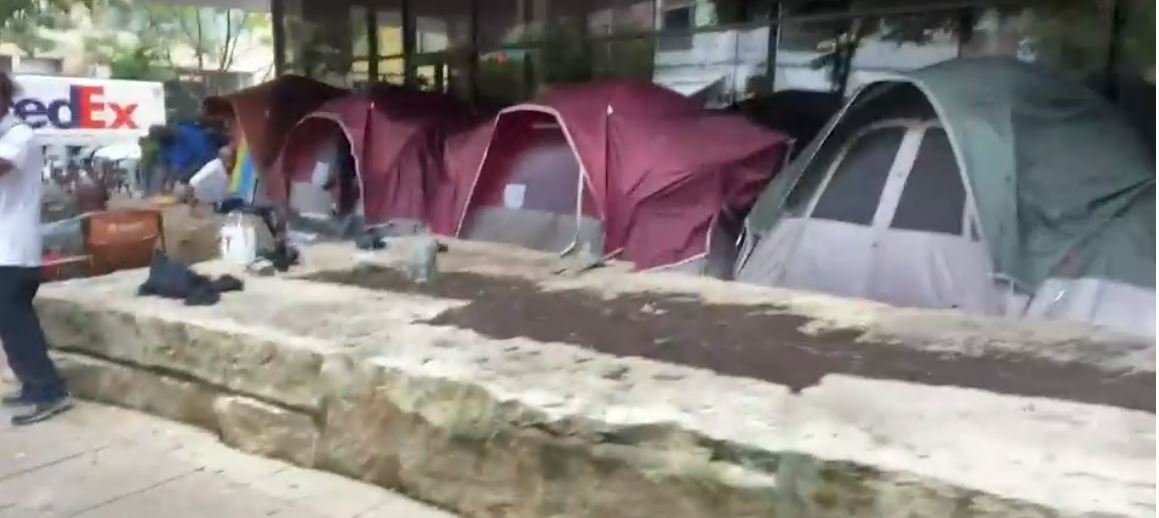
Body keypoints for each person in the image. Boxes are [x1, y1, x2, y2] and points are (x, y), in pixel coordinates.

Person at [0, 71, 71, 426]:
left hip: (14, 250)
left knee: (16, 323)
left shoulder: (20, 135)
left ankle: (49, 391)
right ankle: (33, 385)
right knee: (9, 325)